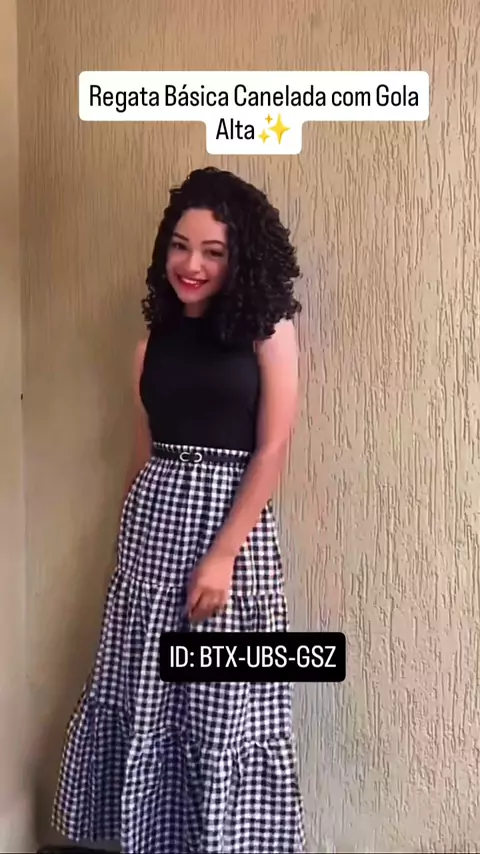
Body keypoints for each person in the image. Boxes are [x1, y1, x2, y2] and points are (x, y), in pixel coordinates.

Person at [52, 166, 306, 854]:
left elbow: (272, 449)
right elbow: (143, 450)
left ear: (239, 257)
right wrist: (126, 537)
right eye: (180, 246)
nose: (191, 265)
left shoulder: (267, 330)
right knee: (148, 699)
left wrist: (223, 555)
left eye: (213, 251)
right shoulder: (152, 339)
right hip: (152, 534)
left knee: (222, 703)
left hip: (228, 534)